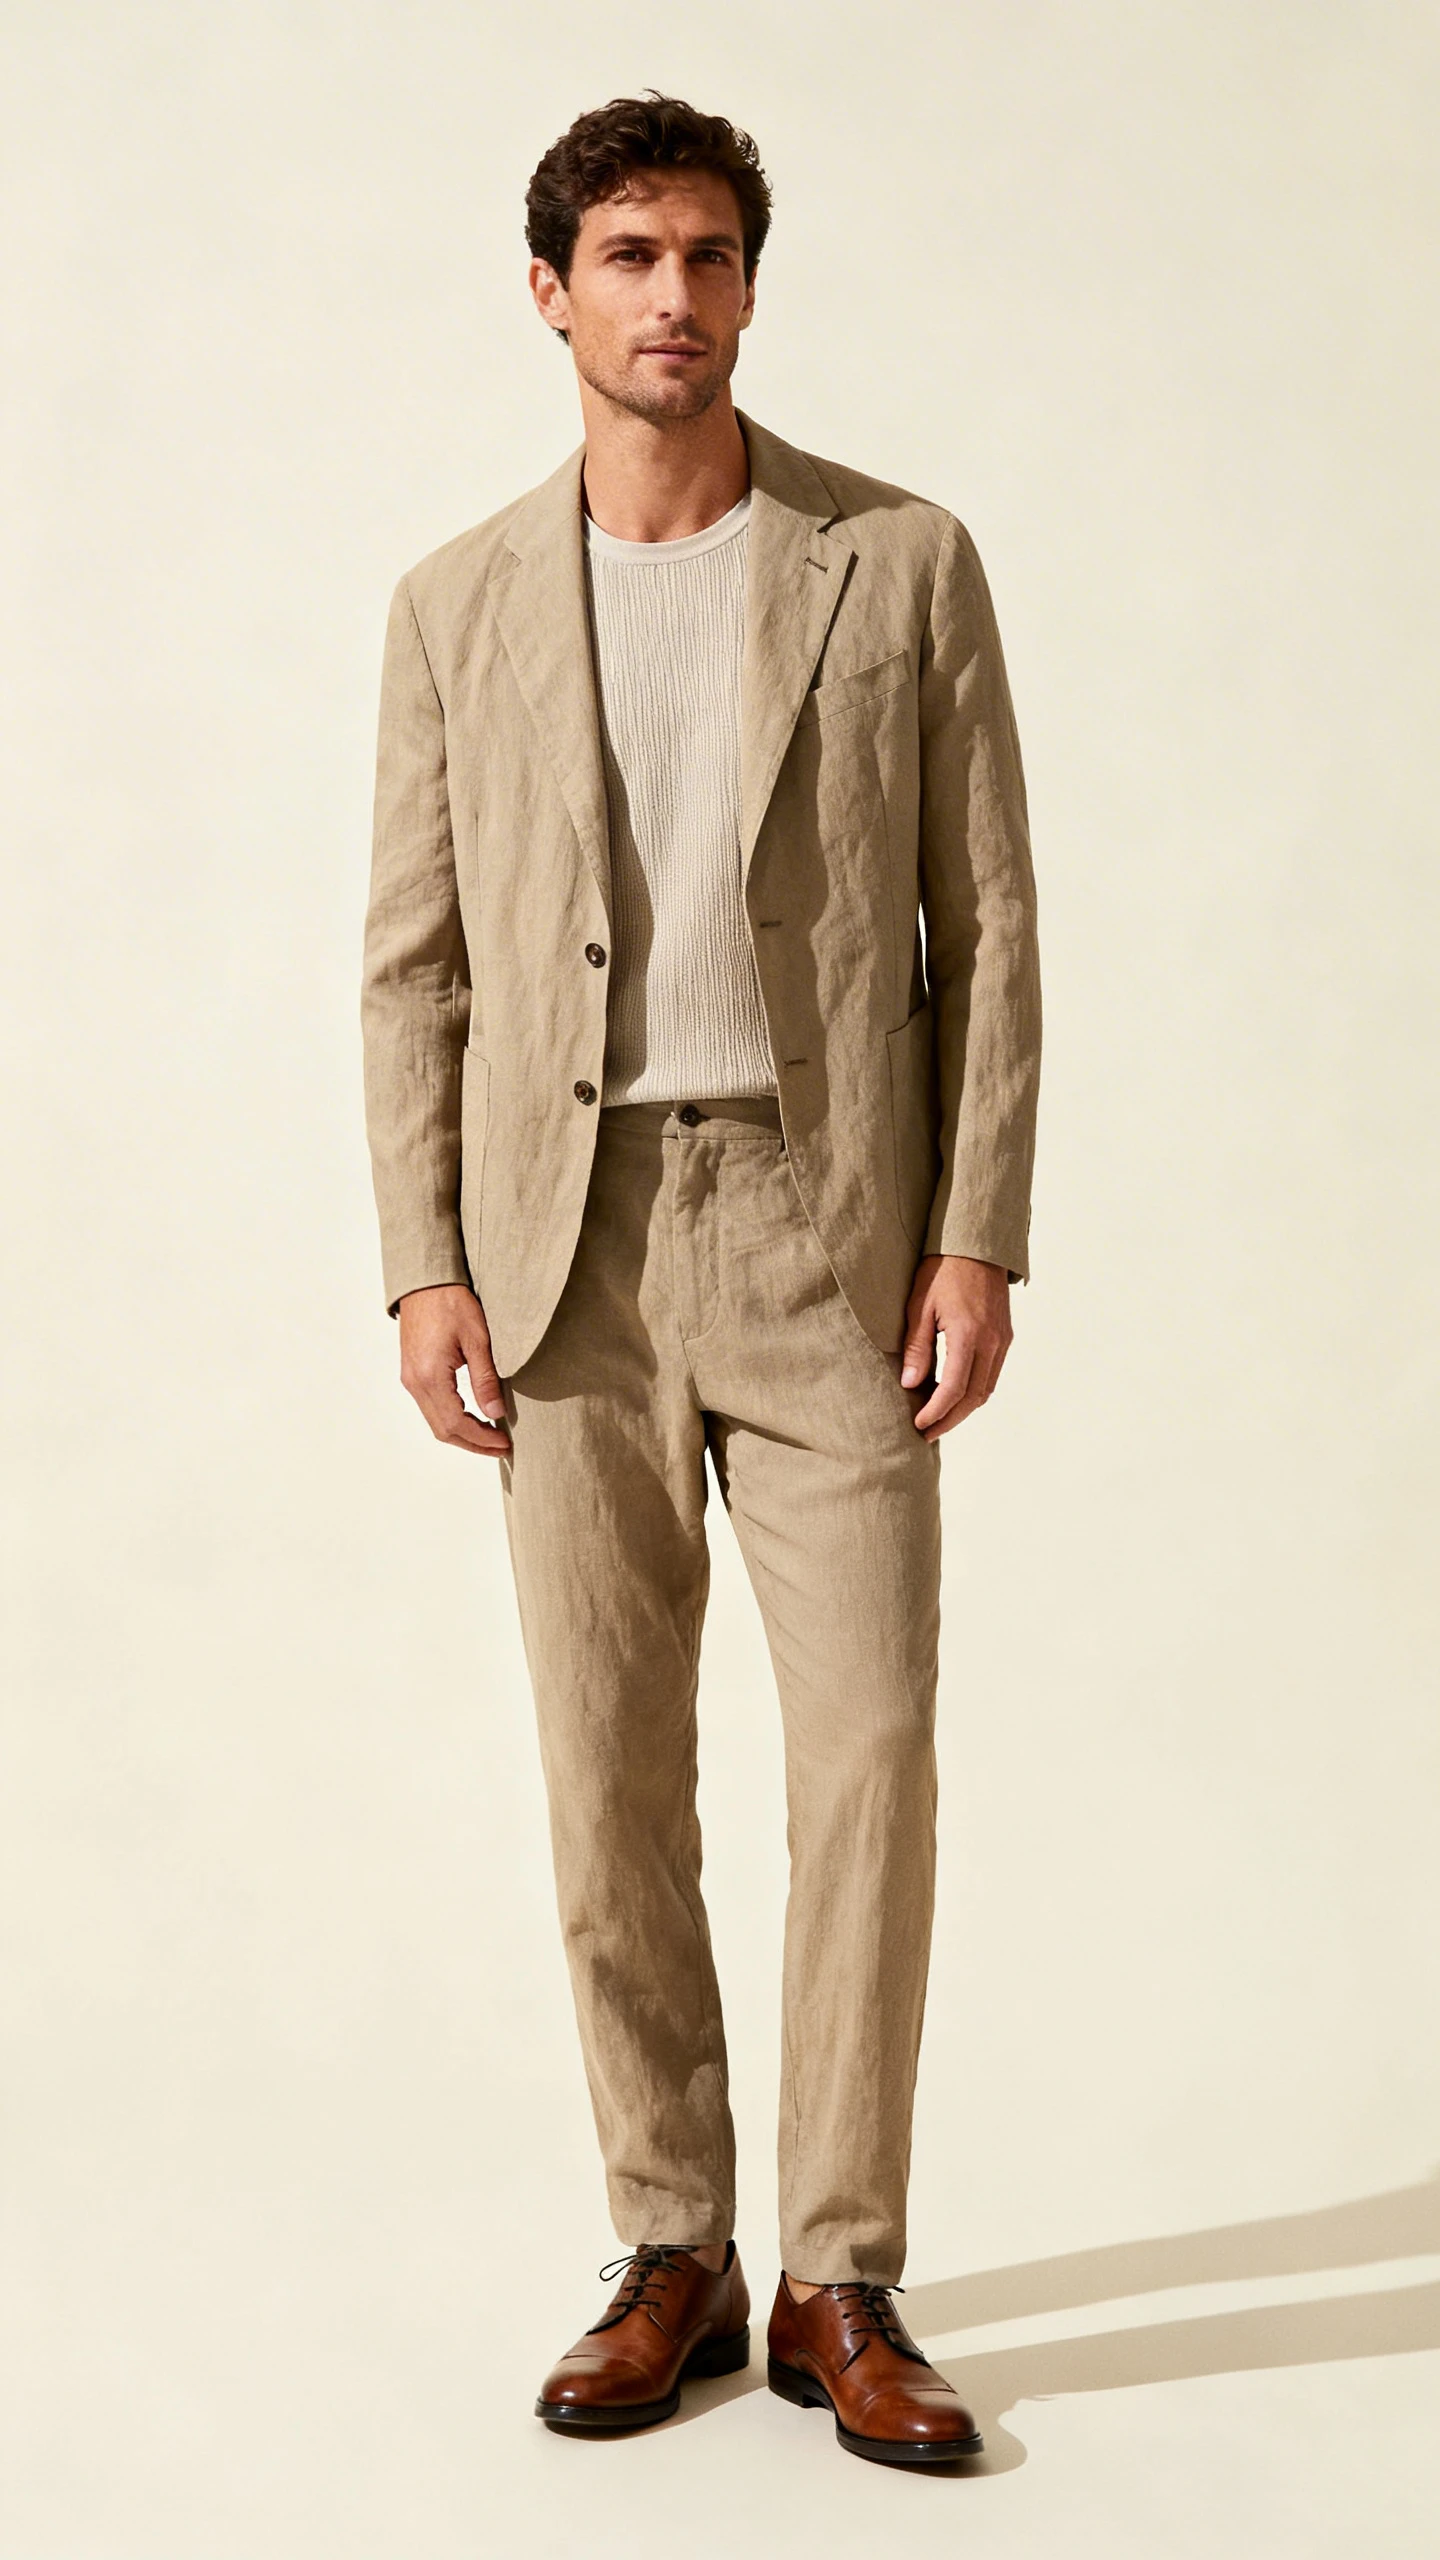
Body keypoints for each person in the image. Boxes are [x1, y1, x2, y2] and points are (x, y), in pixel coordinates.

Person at [360, 92, 1041, 2470]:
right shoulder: (454, 601)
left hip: (829, 1225)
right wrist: (422, 1261)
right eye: (632, 255)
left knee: (871, 1753)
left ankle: (842, 2268)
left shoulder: (900, 561)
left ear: (754, 284)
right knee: (609, 1775)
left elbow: (989, 922)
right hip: (568, 1248)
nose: (676, 294)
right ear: (550, 291)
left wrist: (975, 1225)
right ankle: (673, 2240)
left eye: (712, 254)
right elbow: (417, 966)